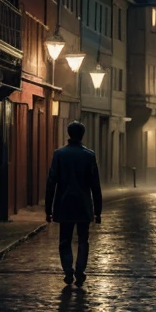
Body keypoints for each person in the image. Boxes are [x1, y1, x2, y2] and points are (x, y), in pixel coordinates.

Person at [45, 120, 102, 287]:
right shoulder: (89, 155)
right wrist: (98, 211)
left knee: (65, 239)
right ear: (82, 135)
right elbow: (95, 186)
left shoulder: (59, 154)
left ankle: (68, 271)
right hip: (83, 205)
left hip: (64, 204)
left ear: (69, 134)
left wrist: (48, 209)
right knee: (83, 240)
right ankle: (80, 270)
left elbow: (51, 182)